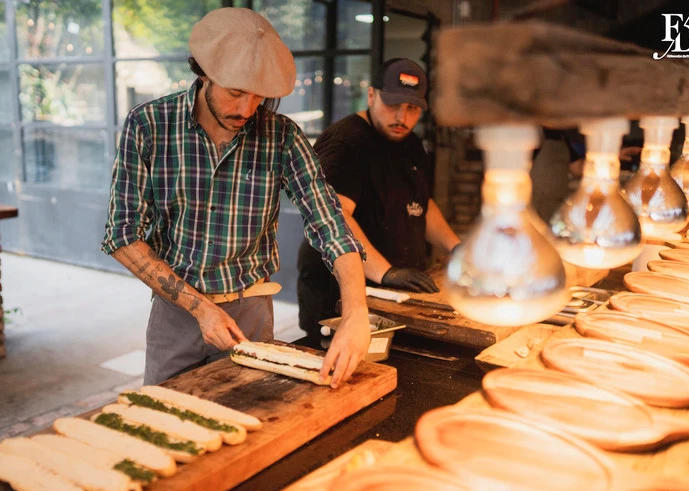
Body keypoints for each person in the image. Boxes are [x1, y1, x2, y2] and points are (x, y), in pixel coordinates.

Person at [101, 8, 370, 389]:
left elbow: (329, 223)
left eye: (259, 96)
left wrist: (356, 311)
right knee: (166, 419)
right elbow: (122, 234)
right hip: (176, 311)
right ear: (204, 73)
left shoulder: (282, 137)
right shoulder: (149, 126)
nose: (247, 110)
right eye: (236, 92)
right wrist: (201, 308)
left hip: (251, 311)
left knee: (253, 422)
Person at [297, 58, 461, 341]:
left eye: (412, 109)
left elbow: (421, 205)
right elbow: (335, 217)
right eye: (393, 105)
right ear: (371, 95)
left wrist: (456, 247)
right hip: (338, 297)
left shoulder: (409, 143)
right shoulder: (346, 143)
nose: (401, 117)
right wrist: (386, 272)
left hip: (394, 296)